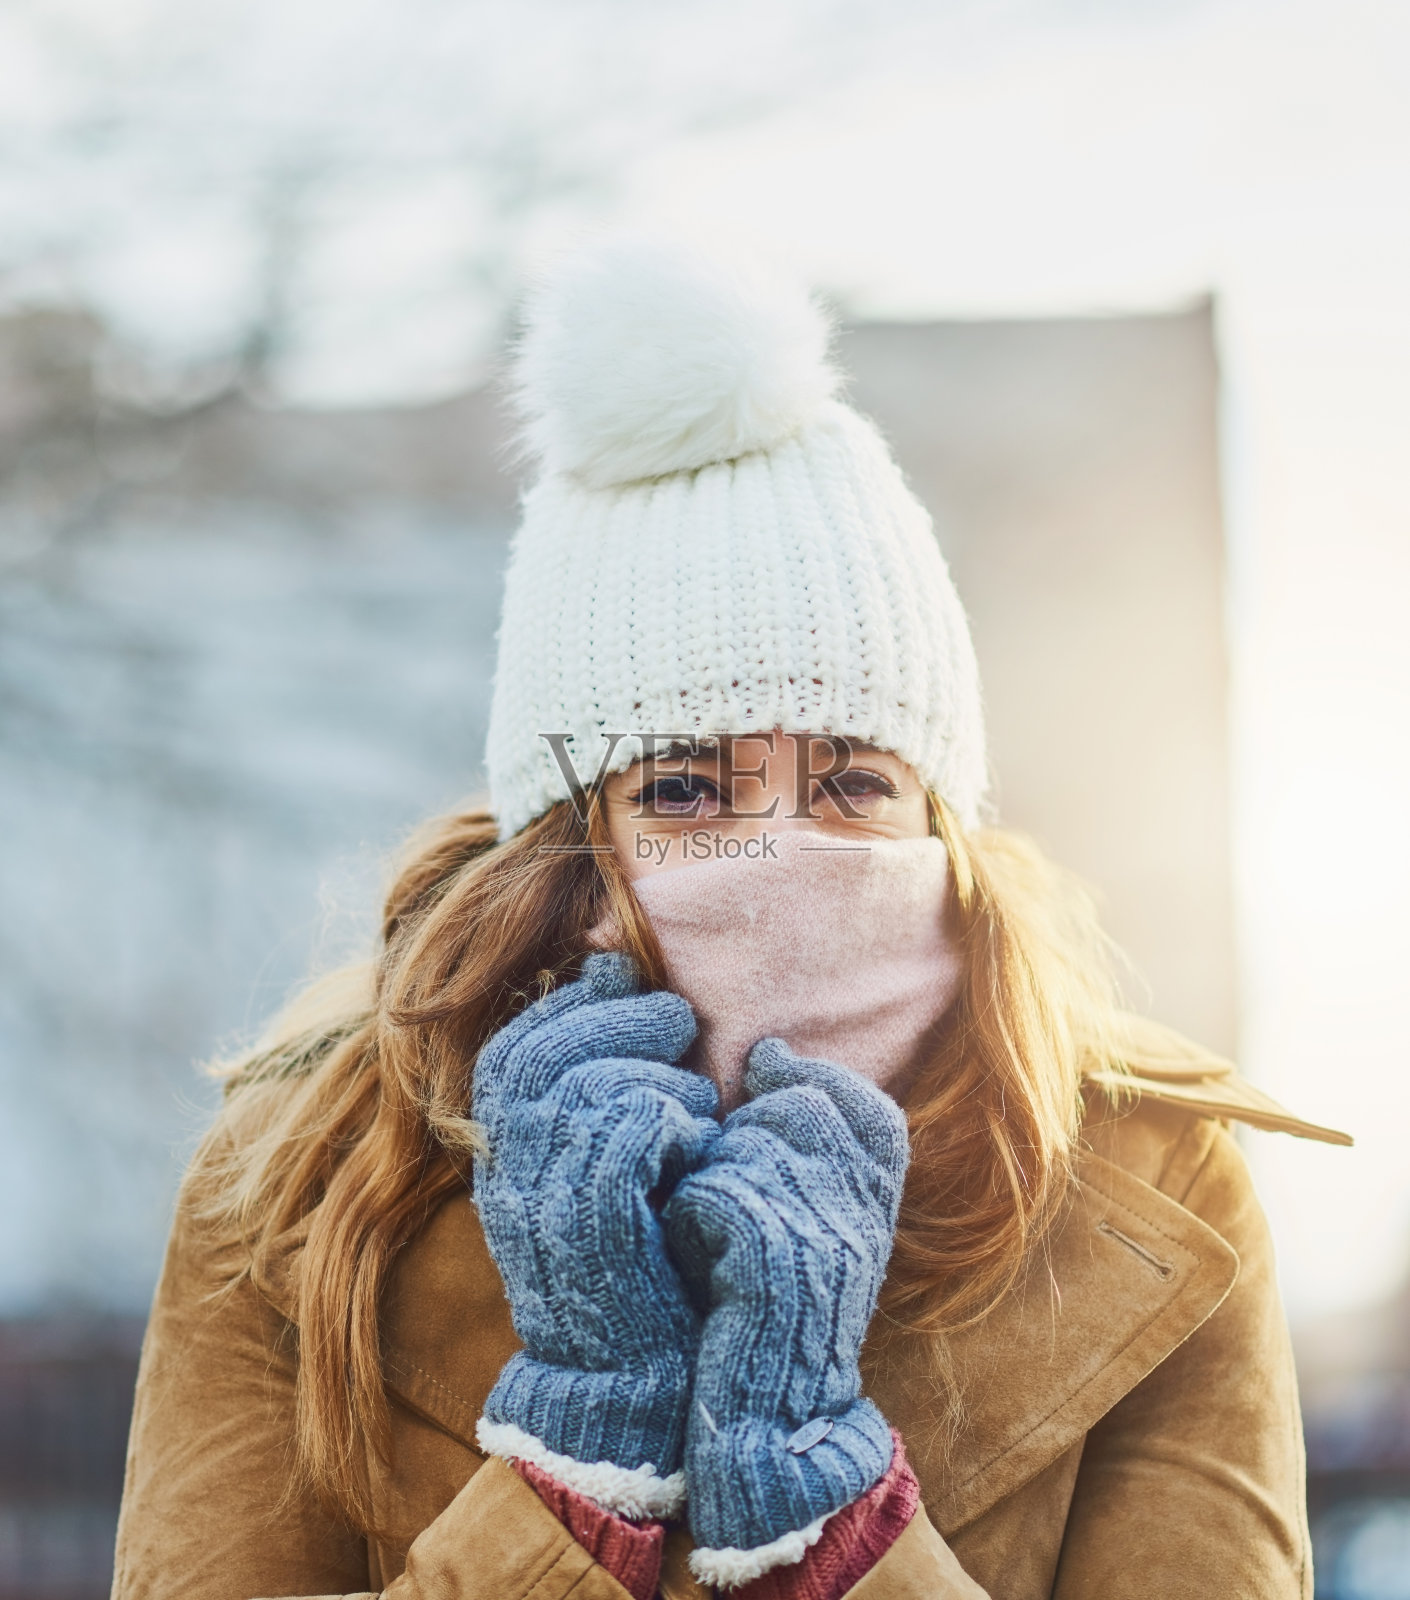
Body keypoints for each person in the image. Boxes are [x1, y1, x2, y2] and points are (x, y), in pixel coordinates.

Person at [111, 237, 1350, 1600]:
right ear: (571, 837)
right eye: (690, 787)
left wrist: (833, 1522)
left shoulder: (1149, 1176)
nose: (777, 849)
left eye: (854, 781)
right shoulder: (304, 1169)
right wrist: (570, 1476)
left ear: (937, 817)